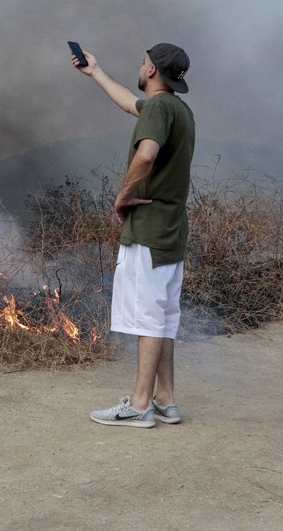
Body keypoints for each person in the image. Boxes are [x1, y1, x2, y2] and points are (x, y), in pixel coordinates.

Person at [72, 43, 195, 428]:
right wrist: (96, 71)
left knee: (146, 319)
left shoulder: (159, 110)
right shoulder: (177, 109)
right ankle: (166, 400)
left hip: (149, 228)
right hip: (172, 231)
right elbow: (129, 102)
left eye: (143, 63)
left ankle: (140, 405)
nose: (140, 69)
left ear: (154, 69)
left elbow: (146, 154)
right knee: (162, 317)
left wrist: (123, 196)